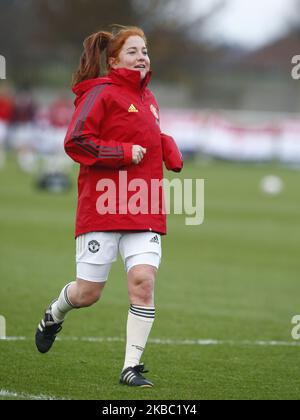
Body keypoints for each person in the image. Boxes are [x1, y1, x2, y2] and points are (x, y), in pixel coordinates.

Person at [35, 25, 183, 388]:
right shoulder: (100, 93)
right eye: (132, 51)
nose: (142, 57)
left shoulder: (150, 99)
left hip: (144, 205)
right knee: (88, 293)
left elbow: (142, 135)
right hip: (103, 205)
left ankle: (131, 367)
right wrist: (122, 153)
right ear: (113, 59)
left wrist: (166, 144)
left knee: (143, 282)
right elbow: (76, 141)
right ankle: (54, 314)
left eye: (144, 50)